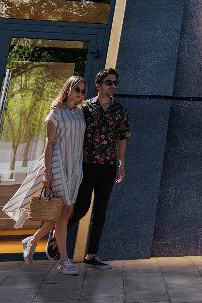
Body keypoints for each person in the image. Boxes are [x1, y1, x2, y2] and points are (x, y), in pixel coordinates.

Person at [46, 67, 131, 268]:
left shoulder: (120, 111)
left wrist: (121, 162)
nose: (113, 86)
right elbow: (67, 117)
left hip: (108, 166)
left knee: (101, 210)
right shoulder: (85, 108)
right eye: (109, 82)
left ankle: (91, 255)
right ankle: (56, 235)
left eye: (115, 83)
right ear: (98, 85)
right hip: (86, 165)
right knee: (81, 207)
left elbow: (122, 137)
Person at [4, 75, 87, 276]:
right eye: (77, 89)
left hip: (74, 167)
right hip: (57, 164)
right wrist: (47, 172)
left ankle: (32, 240)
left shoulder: (79, 113)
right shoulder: (55, 112)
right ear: (68, 89)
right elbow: (49, 144)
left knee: (64, 212)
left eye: (83, 91)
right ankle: (64, 261)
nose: (80, 94)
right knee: (63, 212)